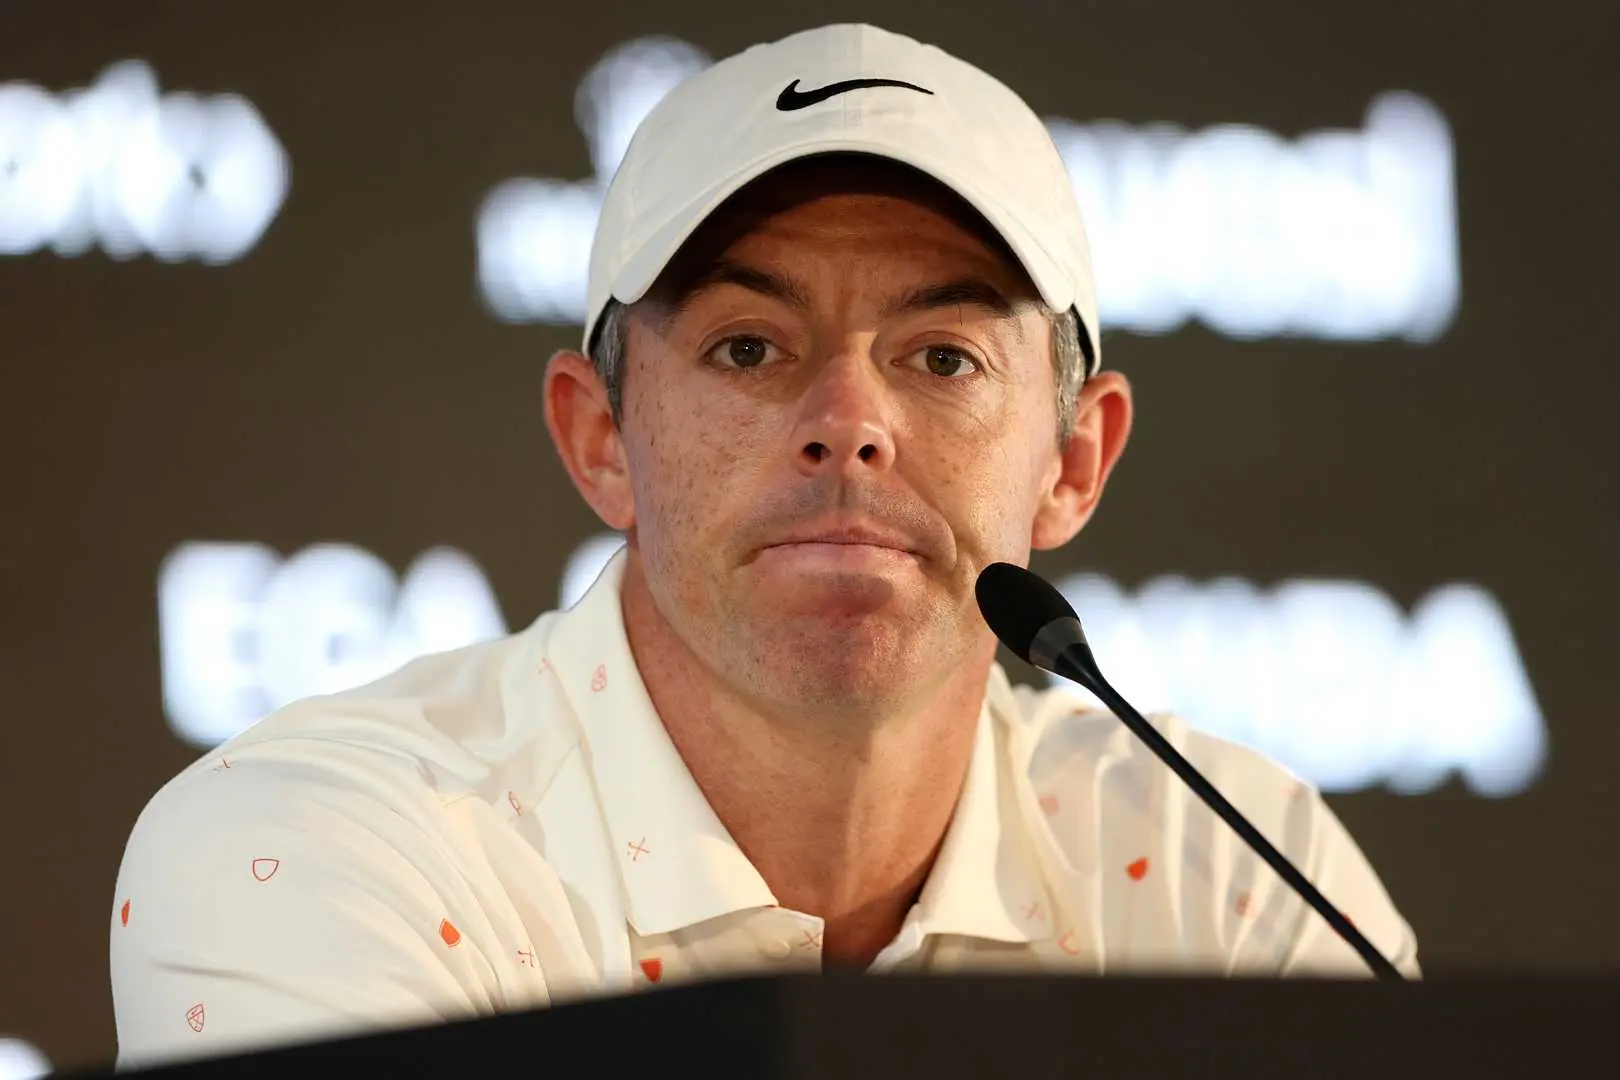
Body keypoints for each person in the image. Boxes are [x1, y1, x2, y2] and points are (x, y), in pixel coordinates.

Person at [109, 21, 1419, 1068]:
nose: (849, 422)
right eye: (748, 348)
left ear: (1073, 462)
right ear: (601, 437)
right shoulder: (324, 851)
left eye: (944, 357)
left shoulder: (1230, 876)